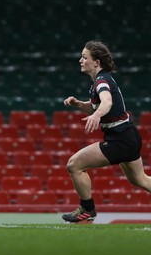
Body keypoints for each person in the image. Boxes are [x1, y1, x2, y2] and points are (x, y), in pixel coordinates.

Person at [62, 40, 151, 223]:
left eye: (84, 57)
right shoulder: (101, 81)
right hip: (129, 136)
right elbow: (99, 106)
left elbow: (107, 102)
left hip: (121, 140)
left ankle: (87, 210)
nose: (80, 60)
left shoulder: (101, 81)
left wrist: (96, 117)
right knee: (140, 180)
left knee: (74, 165)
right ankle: (87, 210)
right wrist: (79, 105)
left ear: (96, 62)